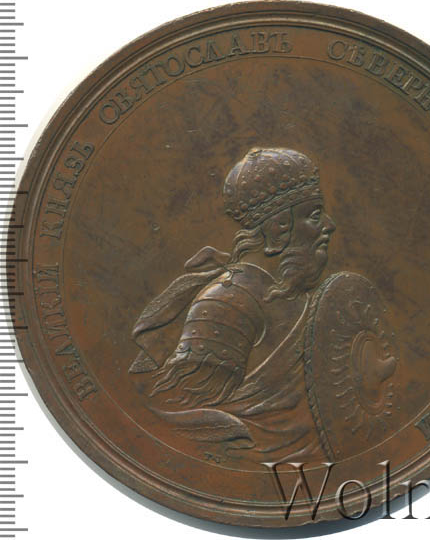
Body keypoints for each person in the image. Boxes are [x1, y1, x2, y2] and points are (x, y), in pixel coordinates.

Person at [129, 148, 394, 463]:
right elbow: (179, 420)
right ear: (280, 227)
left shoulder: (295, 296)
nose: (329, 224)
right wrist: (238, 436)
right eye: (314, 215)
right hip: (254, 468)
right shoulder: (226, 302)